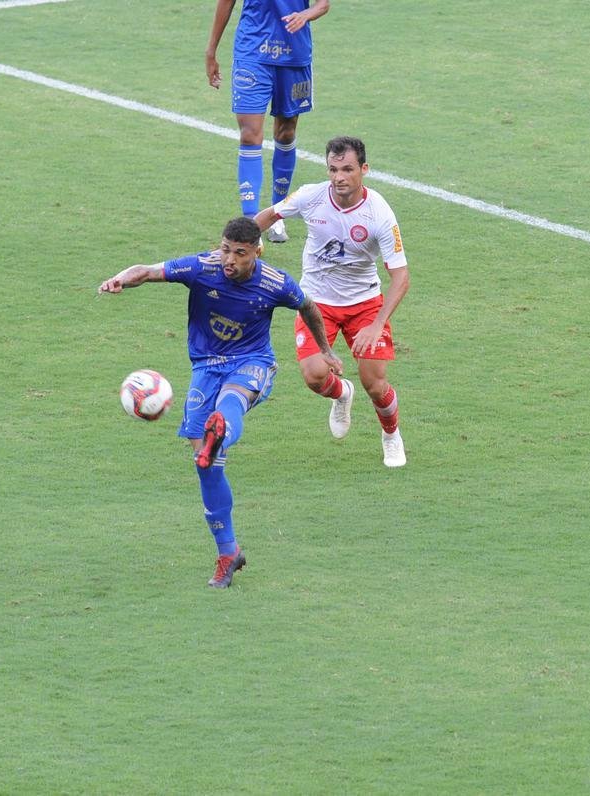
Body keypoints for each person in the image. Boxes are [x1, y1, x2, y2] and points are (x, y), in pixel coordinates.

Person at [98, 217, 341, 588]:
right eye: (225, 249)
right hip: (205, 368)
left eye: (239, 253)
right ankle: (228, 552)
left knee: (232, 401)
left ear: (256, 252)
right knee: (206, 466)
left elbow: (308, 307)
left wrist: (325, 350)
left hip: (253, 362)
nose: (229, 259)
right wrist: (119, 279)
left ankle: (221, 430)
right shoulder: (203, 267)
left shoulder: (275, 282)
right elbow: (146, 271)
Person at [254, 136, 410, 468]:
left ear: (364, 170)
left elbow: (401, 276)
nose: (339, 177)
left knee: (375, 383)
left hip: (364, 305)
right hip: (316, 303)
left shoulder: (379, 213)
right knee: (313, 376)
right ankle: (341, 394)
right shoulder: (311, 197)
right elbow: (268, 216)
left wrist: (378, 322)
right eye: (333, 169)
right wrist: (237, 242)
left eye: (347, 169)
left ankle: (391, 435)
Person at [205, 0, 330, 242]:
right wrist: (211, 51)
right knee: (250, 134)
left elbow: (323, 4)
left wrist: (305, 15)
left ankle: (277, 215)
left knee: (286, 132)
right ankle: (252, 224)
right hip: (252, 52)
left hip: (294, 55)